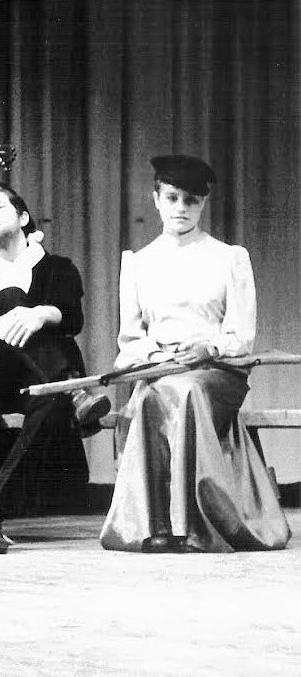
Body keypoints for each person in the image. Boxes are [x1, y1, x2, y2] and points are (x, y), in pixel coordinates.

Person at [100, 155, 291, 553]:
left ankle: (194, 527)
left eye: (191, 200)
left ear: (203, 204)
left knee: (186, 390)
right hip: (159, 371)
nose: (181, 209)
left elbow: (242, 336)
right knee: (155, 395)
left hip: (217, 373)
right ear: (156, 199)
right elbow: (130, 340)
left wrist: (208, 347)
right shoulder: (138, 264)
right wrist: (159, 355)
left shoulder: (228, 258)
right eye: (172, 198)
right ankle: (155, 527)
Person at [0, 182, 111, 554]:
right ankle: (72, 389)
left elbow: (72, 319)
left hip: (39, 387)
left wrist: (39, 314)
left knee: (48, 385)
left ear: (23, 217)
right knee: (10, 298)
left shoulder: (58, 268)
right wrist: (2, 321)